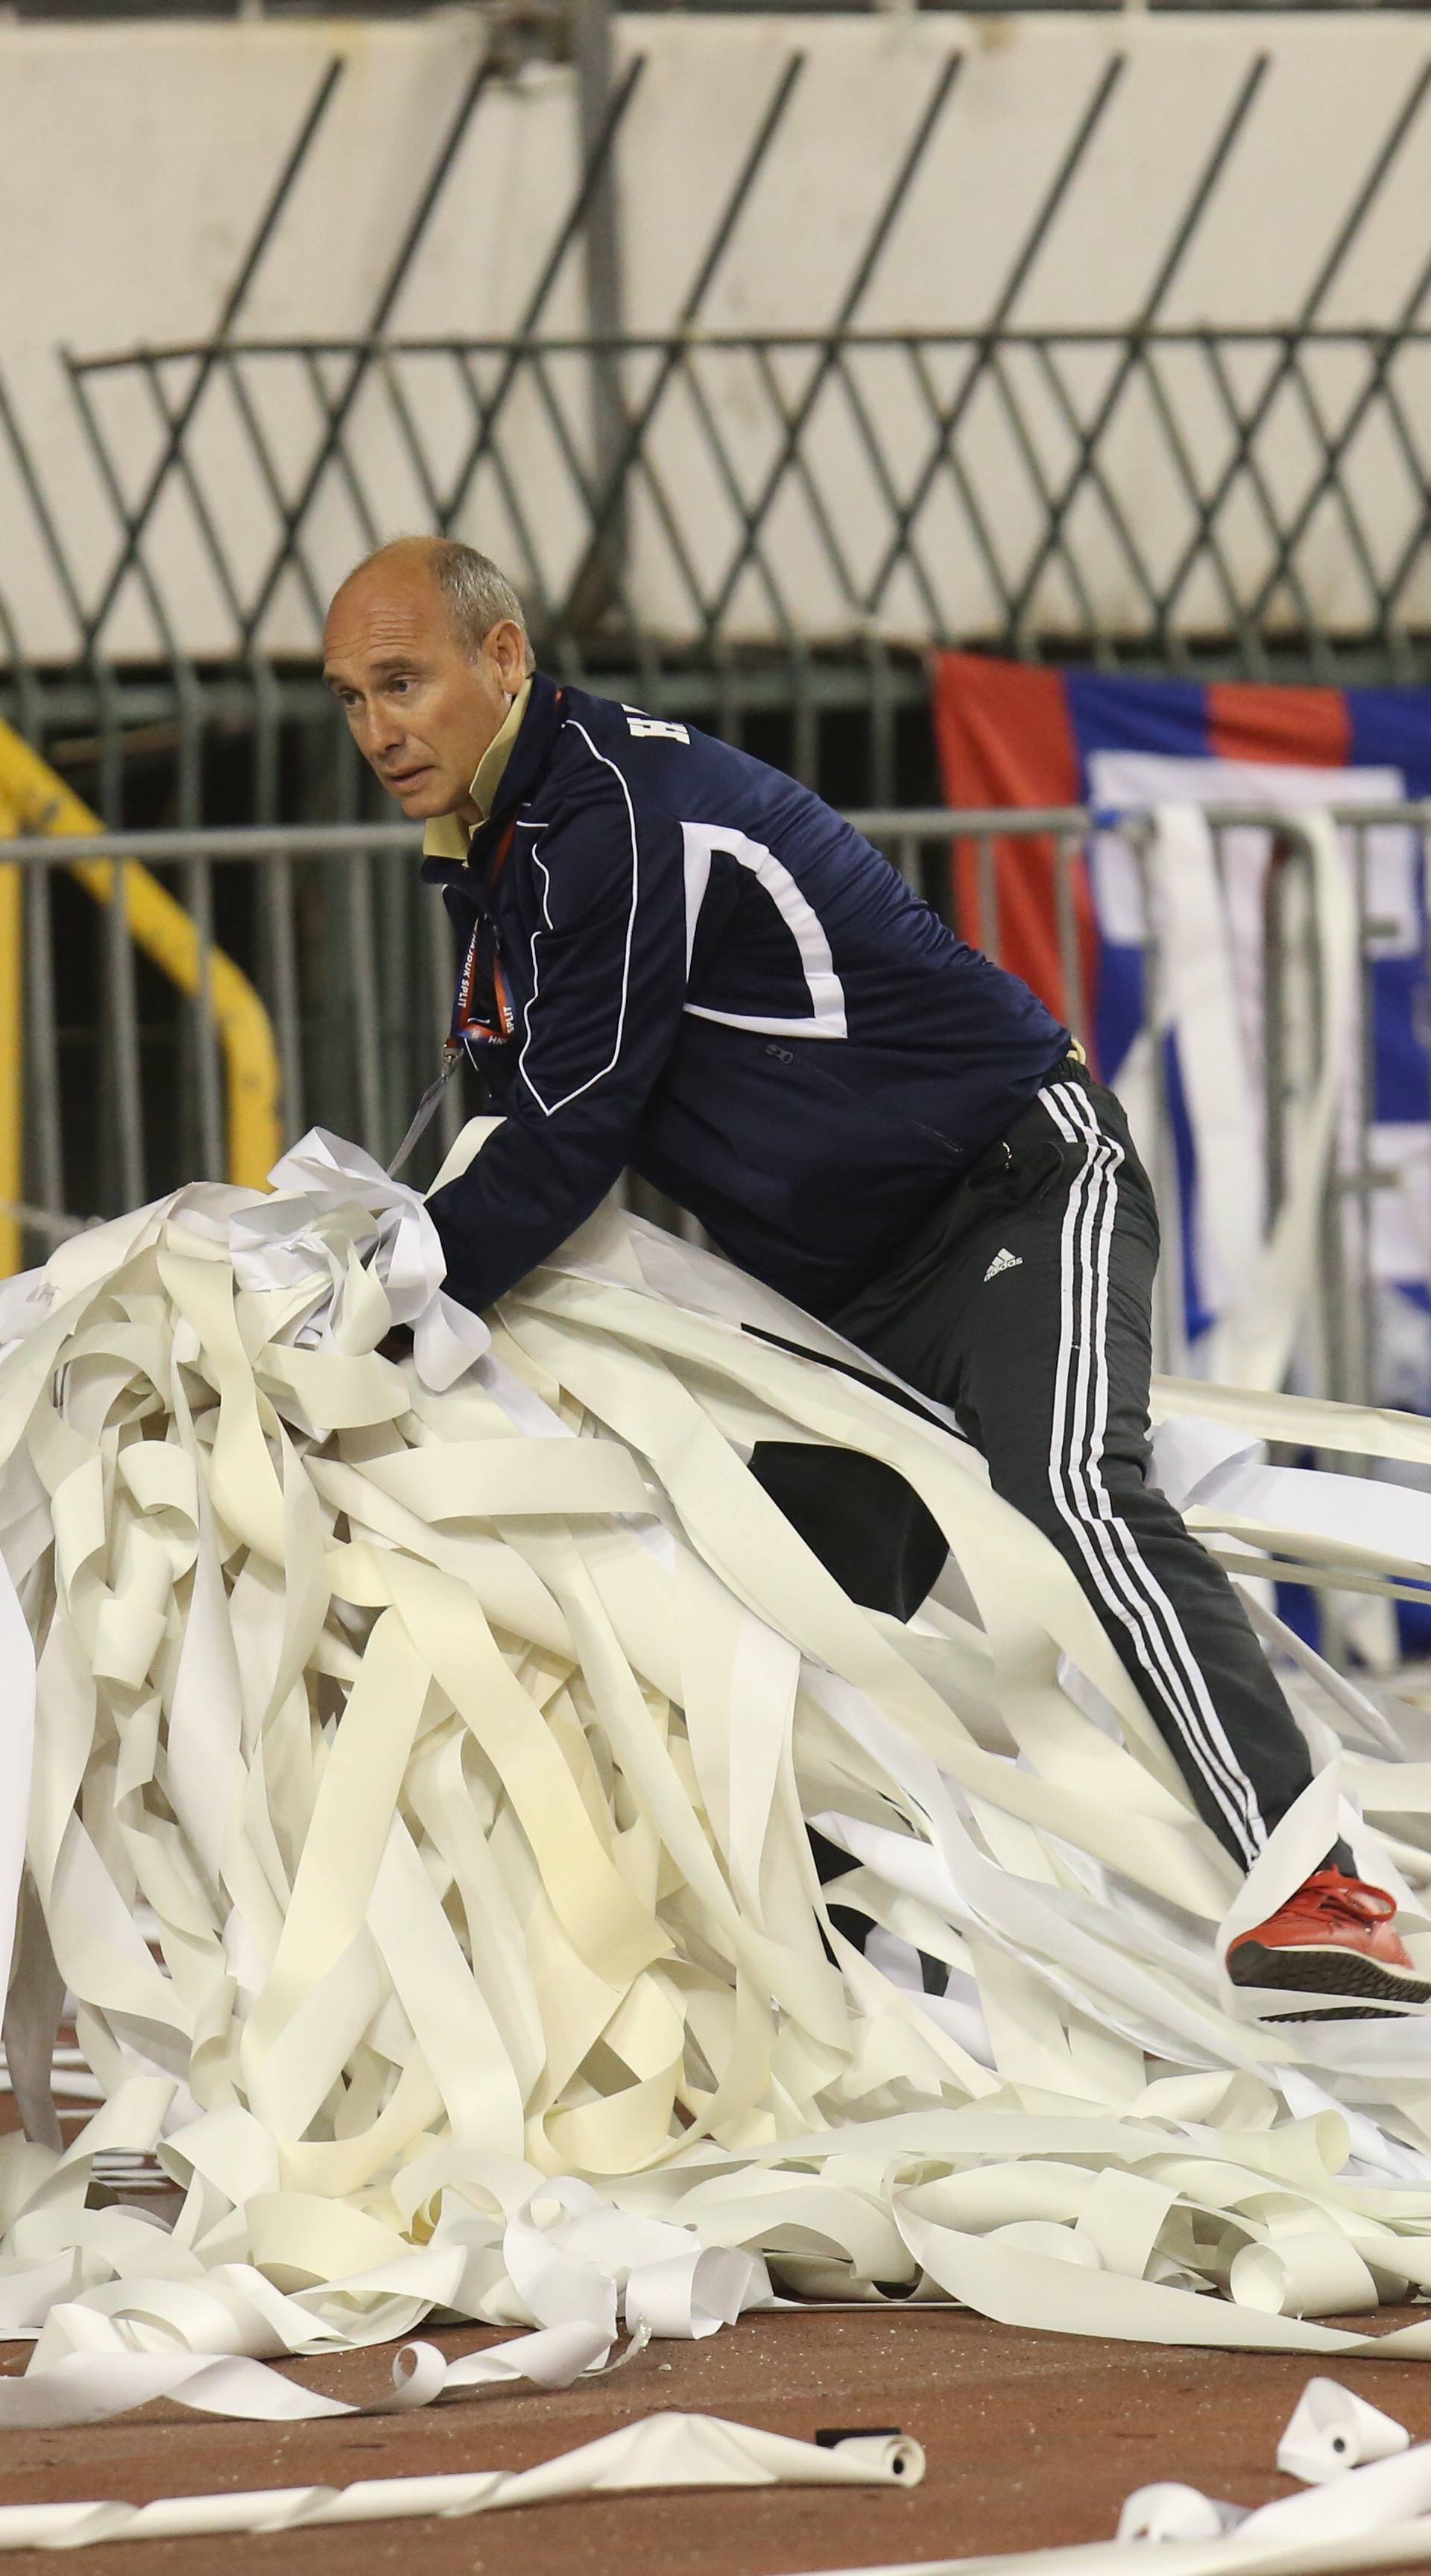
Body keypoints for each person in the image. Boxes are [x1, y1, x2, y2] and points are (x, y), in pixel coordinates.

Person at [321, 534, 1426, 2019]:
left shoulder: (612, 815)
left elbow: (571, 1132)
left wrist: (367, 1316)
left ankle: (1329, 1894)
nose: (379, 730)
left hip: (1020, 1186)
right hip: (852, 1297)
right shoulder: (509, 849)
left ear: (504, 659)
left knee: (1071, 1488)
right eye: (349, 699)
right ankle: (837, 2007)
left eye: (404, 682)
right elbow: (506, 1112)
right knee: (772, 1617)